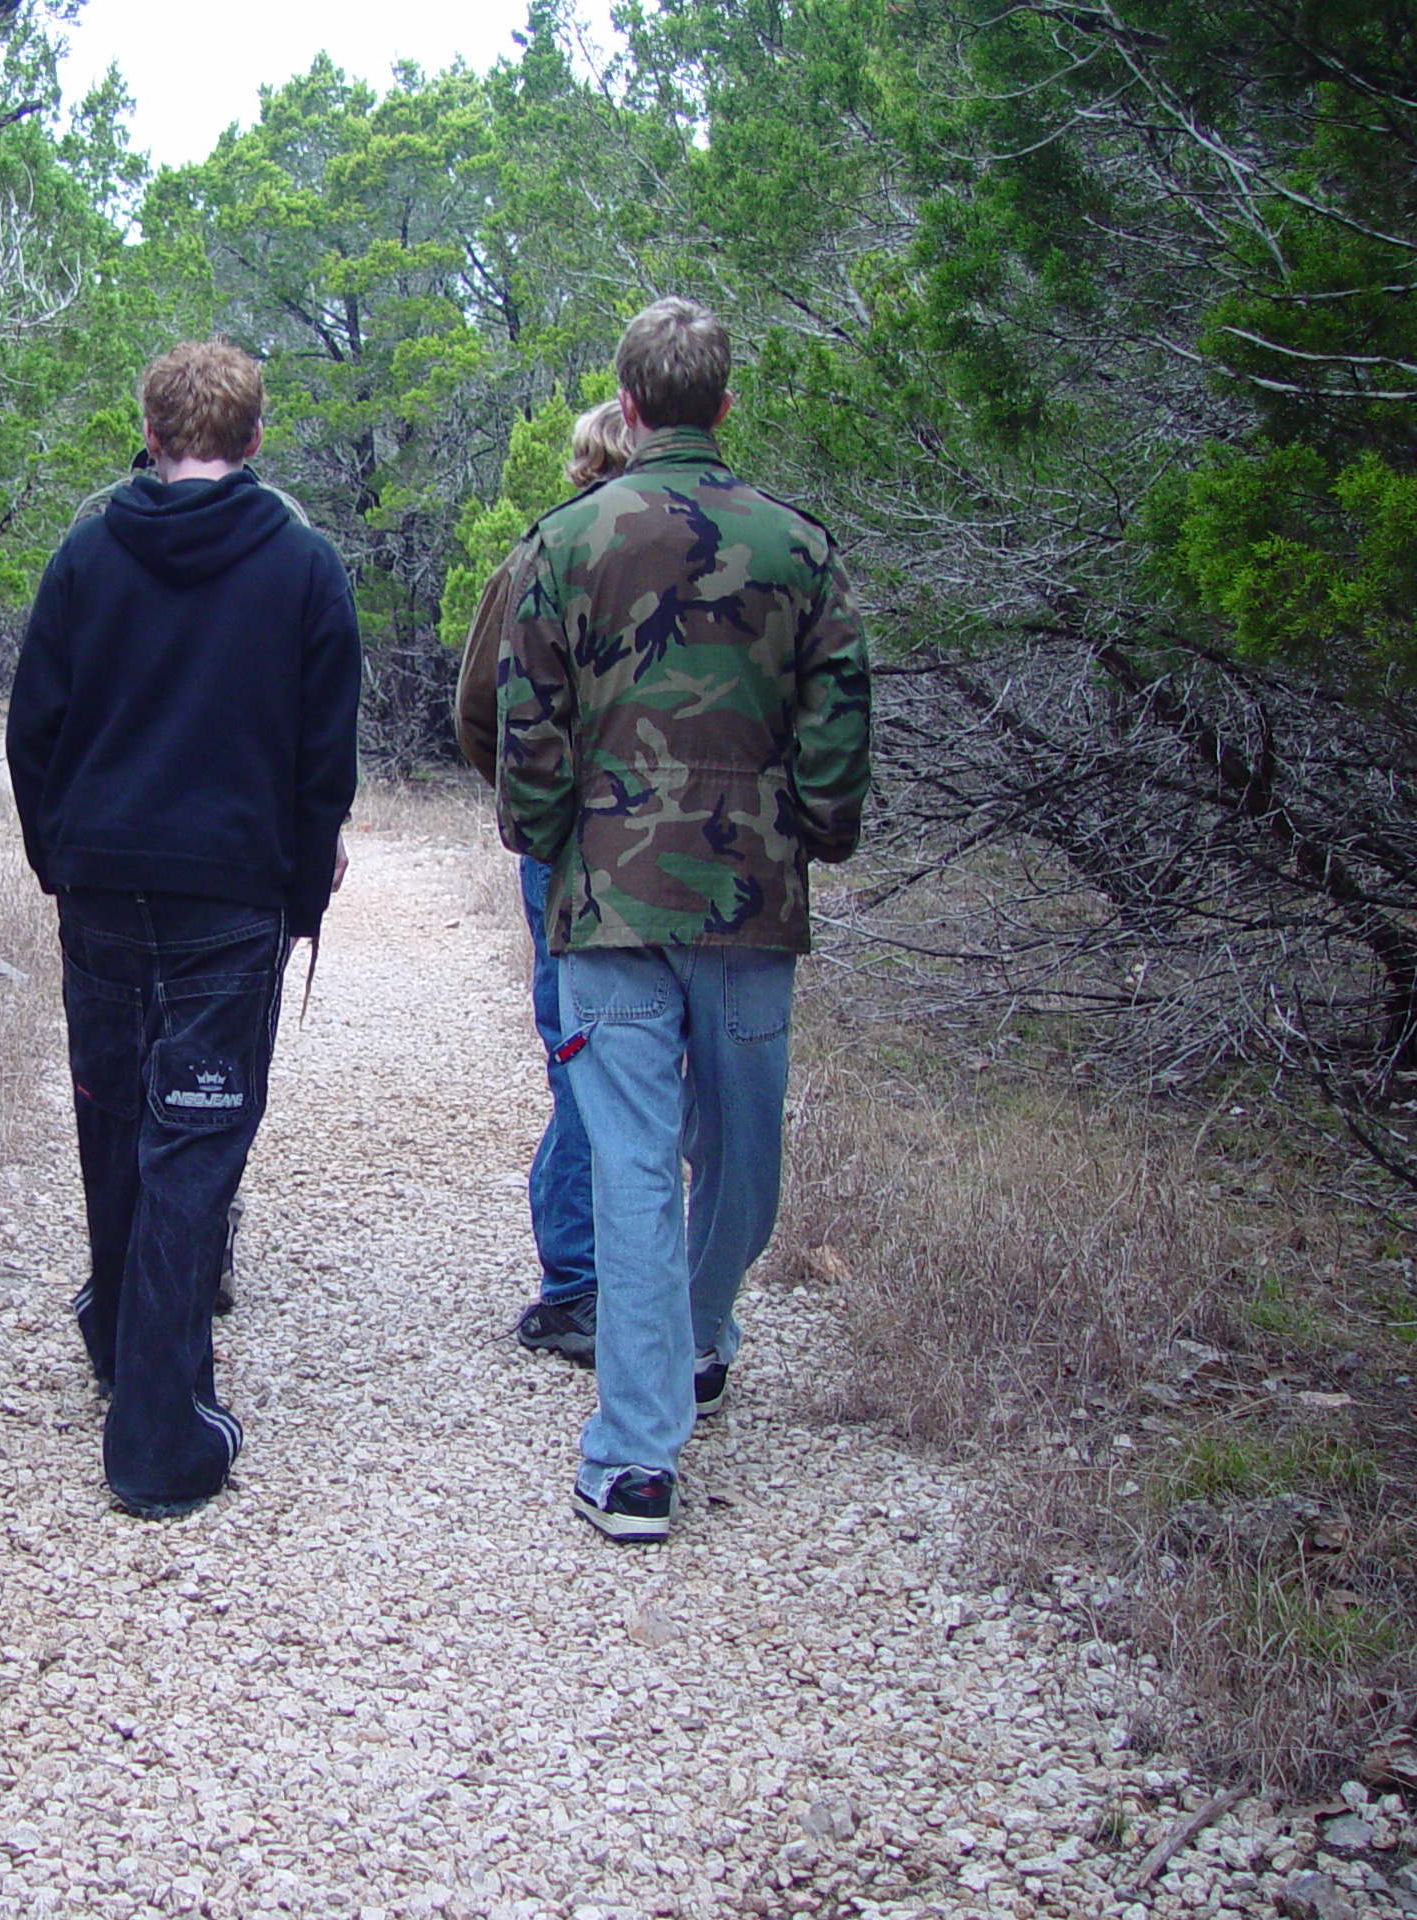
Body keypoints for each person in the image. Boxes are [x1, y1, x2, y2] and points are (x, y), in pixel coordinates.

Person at [496, 298, 871, 1543]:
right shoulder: (798, 547)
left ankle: (689, 1345)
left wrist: (552, 842)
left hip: (614, 895)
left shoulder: (565, 540)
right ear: (719, 404)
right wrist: (810, 831)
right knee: (709, 1159)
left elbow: (526, 727)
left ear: (634, 403)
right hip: (744, 898)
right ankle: (637, 1445)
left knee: (667, 1167)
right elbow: (837, 728)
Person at [7, 340, 362, 1520]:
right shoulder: (305, 569)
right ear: (255, 439)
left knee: (118, 1123)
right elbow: (325, 771)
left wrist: (61, 859)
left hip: (105, 887)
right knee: (192, 1144)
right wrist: (300, 899)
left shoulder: (84, 556)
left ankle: (121, 1335)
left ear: (150, 434)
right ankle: (158, 1441)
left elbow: (33, 736)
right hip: (225, 902)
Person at [454, 400, 638, 1365]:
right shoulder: (719, 543)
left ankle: (580, 1283)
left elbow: (477, 713)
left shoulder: (538, 556)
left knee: (578, 1059)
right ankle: (597, 1282)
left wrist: (540, 815)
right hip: (671, 865)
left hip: (567, 853)